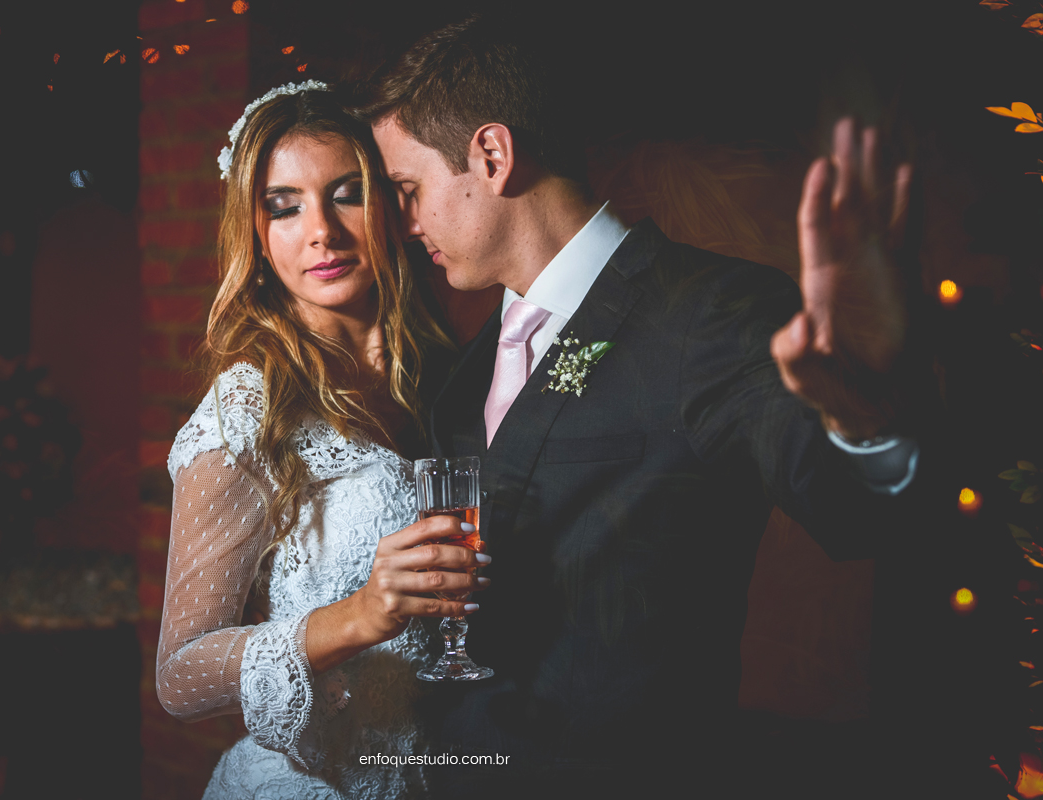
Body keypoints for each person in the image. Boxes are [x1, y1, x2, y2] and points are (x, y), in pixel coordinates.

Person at [354, 14, 941, 798]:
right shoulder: (465, 368)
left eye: (409, 190)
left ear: (492, 156)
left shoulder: (711, 314)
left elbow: (861, 513)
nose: (404, 224)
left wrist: (858, 405)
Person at [157, 84, 493, 800]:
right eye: (284, 207)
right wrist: (360, 615)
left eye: (346, 195)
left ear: (390, 205)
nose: (322, 232)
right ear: (257, 236)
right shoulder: (250, 407)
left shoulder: (450, 376)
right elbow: (180, 676)